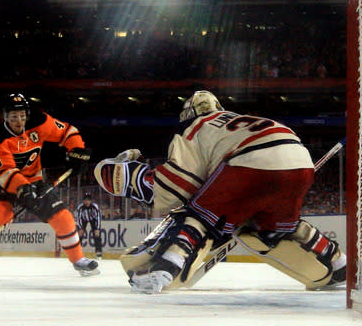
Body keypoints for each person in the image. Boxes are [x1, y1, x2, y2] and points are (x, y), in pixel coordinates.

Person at [93, 90, 346, 293]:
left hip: (250, 162)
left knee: (200, 215)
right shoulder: (239, 119)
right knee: (278, 229)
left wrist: (131, 176)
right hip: (299, 162)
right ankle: (339, 262)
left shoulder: (197, 128)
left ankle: (166, 267)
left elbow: (176, 185)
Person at [0, 93, 99, 279]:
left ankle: (79, 260)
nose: (19, 121)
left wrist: (77, 150)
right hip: (0, 181)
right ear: (5, 116)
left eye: (22, 115)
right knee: (0, 212)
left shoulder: (40, 121)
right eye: (14, 116)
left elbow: (67, 132)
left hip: (33, 179)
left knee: (62, 216)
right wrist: (23, 189)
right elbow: (5, 172)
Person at [74, 193, 103, 259]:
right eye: (85, 200)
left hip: (93, 219)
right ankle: (76, 252)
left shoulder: (95, 207)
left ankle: (99, 252)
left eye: (88, 200)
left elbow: (98, 217)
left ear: (91, 201)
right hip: (83, 220)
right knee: (80, 235)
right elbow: (78, 218)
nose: (87, 202)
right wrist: (80, 227)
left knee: (97, 235)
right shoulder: (80, 207)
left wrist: (97, 228)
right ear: (83, 201)